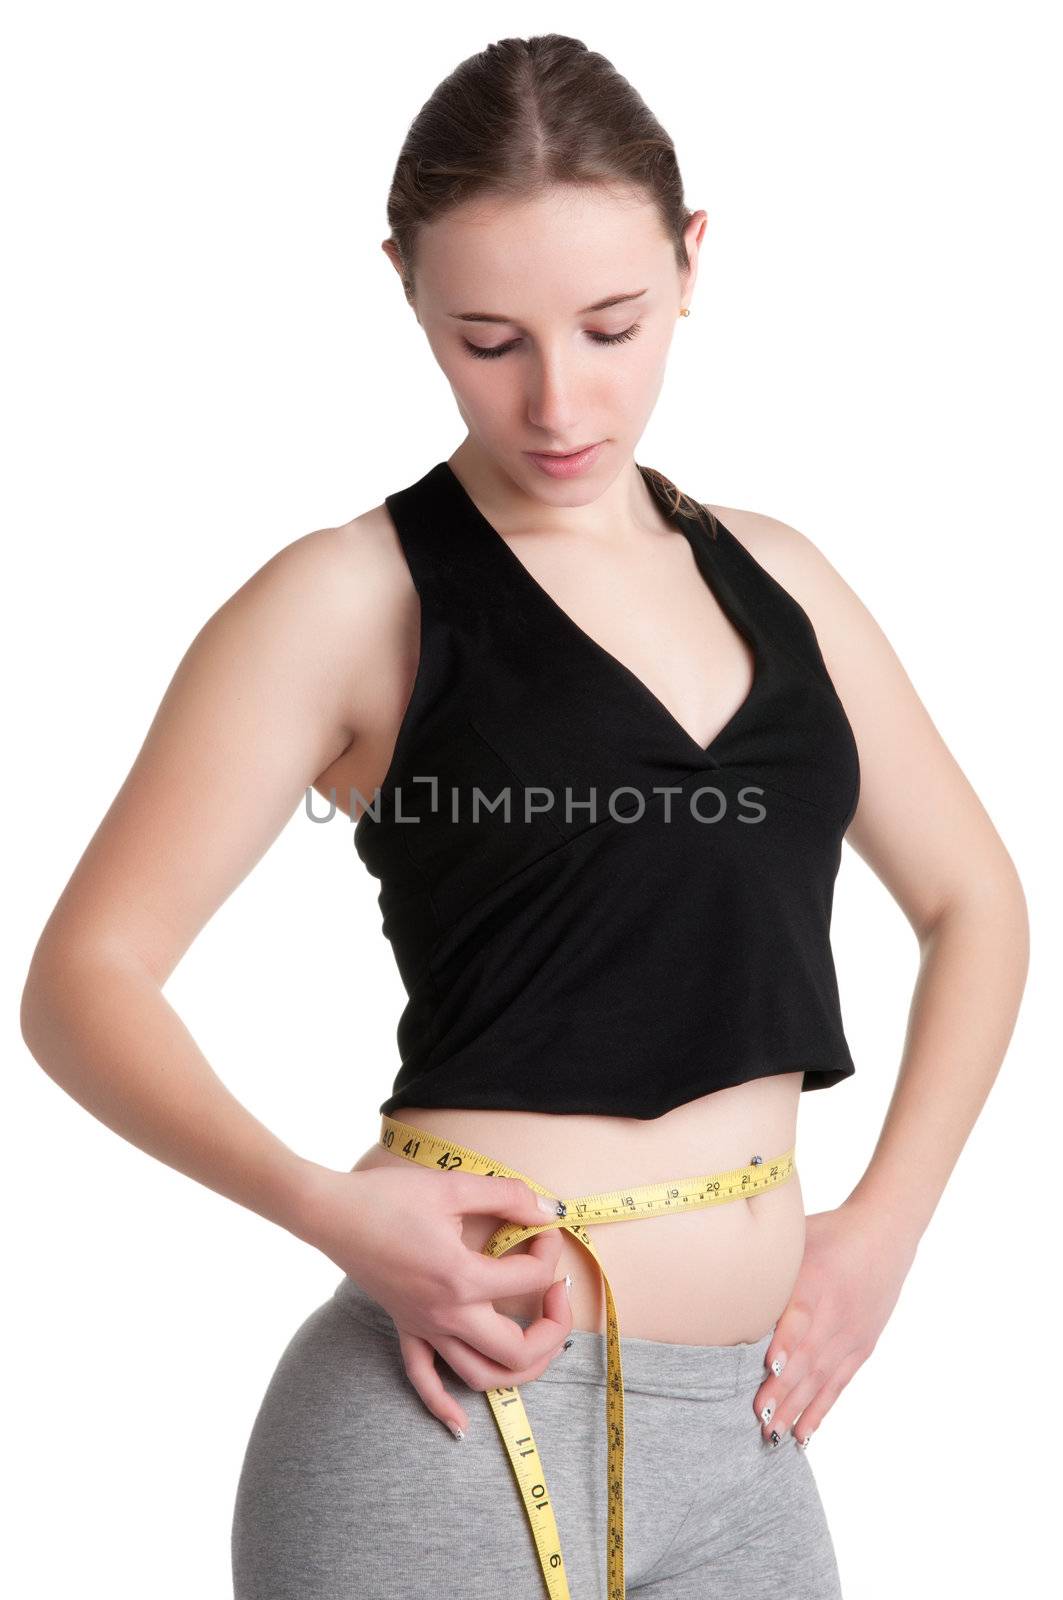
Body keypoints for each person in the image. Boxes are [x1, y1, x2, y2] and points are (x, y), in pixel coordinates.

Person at [20, 32, 1029, 1600]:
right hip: (445, 1417)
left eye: (613, 325)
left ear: (695, 262)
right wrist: (333, 1212)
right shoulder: (351, 598)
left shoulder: (785, 580)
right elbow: (82, 981)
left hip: (750, 1435)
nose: (560, 400)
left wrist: (885, 1230)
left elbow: (977, 900)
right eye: (486, 338)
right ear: (404, 289)